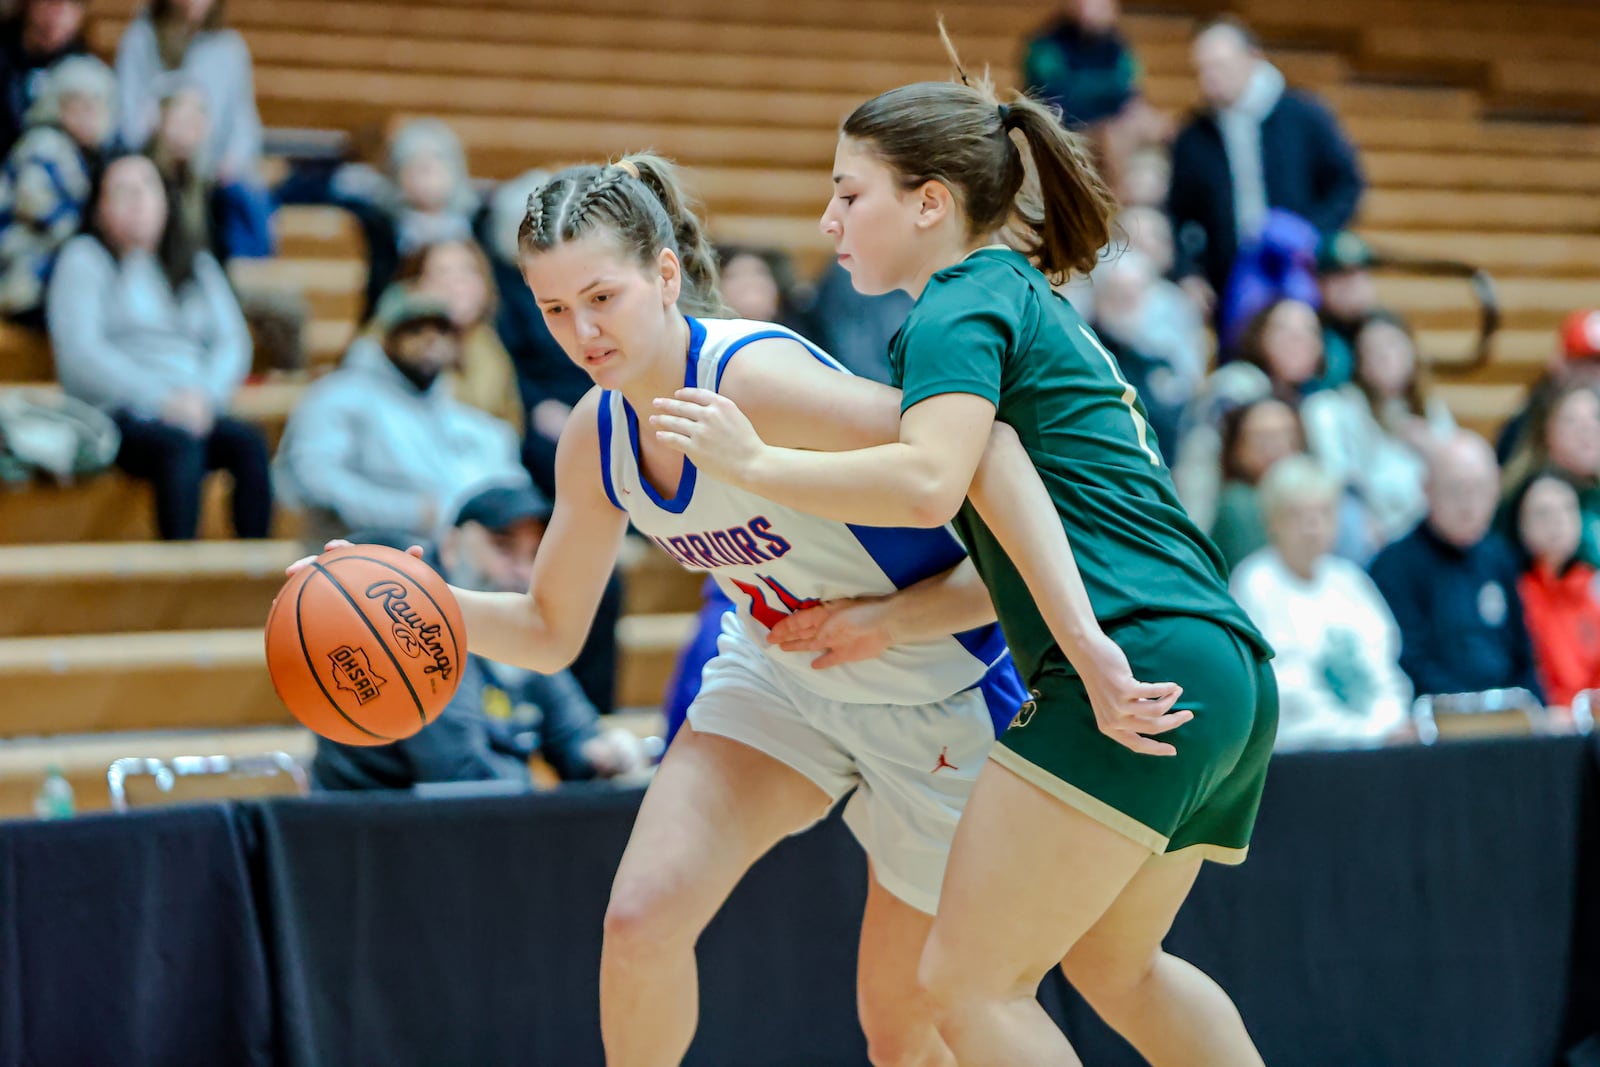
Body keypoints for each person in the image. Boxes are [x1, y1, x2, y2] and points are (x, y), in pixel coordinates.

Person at [292, 152, 1034, 1067]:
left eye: (602, 297)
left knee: (904, 1031)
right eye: (556, 308)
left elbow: (989, 460)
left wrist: (892, 621)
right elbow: (549, 630)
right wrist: (418, 599)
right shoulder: (594, 435)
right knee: (640, 917)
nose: (583, 331)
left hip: (942, 685)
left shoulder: (754, 380)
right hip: (784, 678)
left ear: (666, 274)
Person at [651, 43, 1276, 1064]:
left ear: (930, 202)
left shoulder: (954, 303)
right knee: (1118, 967)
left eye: (849, 193)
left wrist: (753, 461)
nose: (828, 221)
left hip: (1132, 653)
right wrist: (890, 620)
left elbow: (929, 476)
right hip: (1222, 662)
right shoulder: (1024, 301)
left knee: (962, 985)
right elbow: (1018, 533)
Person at [311, 483, 648, 791]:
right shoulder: (409, 629)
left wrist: (603, 754)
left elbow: (574, 732)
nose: (522, 571)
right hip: (369, 831)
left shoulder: (519, 628)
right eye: (503, 547)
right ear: (451, 547)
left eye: (534, 555)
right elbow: (459, 775)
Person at [48, 151, 267, 540]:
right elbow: (82, 355)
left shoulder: (196, 264)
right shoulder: (83, 260)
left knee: (249, 444)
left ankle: (262, 581)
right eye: (122, 191)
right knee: (179, 447)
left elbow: (233, 341)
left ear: (166, 201)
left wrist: (205, 397)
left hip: (197, 405)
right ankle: (176, 583)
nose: (137, 201)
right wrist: (161, 400)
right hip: (117, 414)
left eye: (147, 188)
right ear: (99, 207)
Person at [272, 292, 529, 547]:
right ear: (387, 337)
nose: (430, 340)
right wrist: (411, 512)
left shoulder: (453, 411)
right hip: (358, 553)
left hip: (445, 556)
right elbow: (315, 478)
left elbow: (503, 484)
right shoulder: (338, 395)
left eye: (441, 331)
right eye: (415, 330)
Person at [1168, 17, 1363, 324]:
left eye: (1219, 66)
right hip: (1230, 285)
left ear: (1252, 58)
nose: (1209, 79)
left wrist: (1312, 235)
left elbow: (1346, 184)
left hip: (1303, 271)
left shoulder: (1304, 114)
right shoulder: (1193, 136)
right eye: (1201, 70)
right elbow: (1177, 213)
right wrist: (1188, 273)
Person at [1230, 456, 1411, 750]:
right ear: (1272, 521)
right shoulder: (1256, 583)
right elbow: (1283, 688)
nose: (1312, 526)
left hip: (1377, 743)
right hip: (1303, 754)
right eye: (1297, 515)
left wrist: (1389, 723)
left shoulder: (1349, 579)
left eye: (1324, 513)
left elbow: (1385, 667)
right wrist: (1365, 732)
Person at [1368, 432, 1542, 701]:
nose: (1469, 504)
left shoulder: (1499, 556)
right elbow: (1409, 661)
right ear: (1427, 489)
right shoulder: (1394, 566)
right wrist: (1472, 710)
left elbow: (1523, 653)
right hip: (1439, 719)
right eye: (1456, 489)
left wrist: (1532, 706)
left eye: (1481, 489)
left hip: (1509, 716)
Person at [113, 0, 270, 257]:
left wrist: (231, 163)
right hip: (156, 163)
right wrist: (161, 137)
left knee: (247, 199)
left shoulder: (230, 48)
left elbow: (245, 126)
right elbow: (128, 119)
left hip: (212, 175)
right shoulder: (141, 38)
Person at [1302, 311, 1455, 552]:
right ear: (1359, 361)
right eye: (1373, 350)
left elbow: (1458, 478)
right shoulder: (1336, 410)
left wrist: (1434, 450)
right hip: (1372, 533)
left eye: (1393, 345)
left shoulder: (1432, 411)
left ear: (1413, 353)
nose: (1385, 356)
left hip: (1428, 533)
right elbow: (1339, 482)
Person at [0, 53, 113, 322]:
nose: (87, 115)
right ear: (57, 105)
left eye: (94, 106)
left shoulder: (88, 155)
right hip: (21, 269)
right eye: (77, 105)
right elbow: (36, 207)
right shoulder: (43, 143)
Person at [1020, 0, 1166, 197]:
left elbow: (1129, 95)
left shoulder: (1118, 48)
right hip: (1061, 133)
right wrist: (1103, 122)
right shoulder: (1046, 46)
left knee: (1157, 134)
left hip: (1115, 131)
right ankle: (1115, 202)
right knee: (1111, 140)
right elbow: (1053, 101)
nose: (1092, 7)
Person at [384, 238, 523, 432]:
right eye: (442, 273)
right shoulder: (391, 346)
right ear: (414, 287)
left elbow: (511, 426)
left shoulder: (488, 345)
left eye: (468, 271)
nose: (457, 284)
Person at [1511, 470, 1600, 711]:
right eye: (1543, 514)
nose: (1557, 521)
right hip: (1543, 724)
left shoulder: (1592, 587)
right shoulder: (1515, 593)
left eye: (1567, 509)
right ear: (1521, 524)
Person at [1499, 379, 1600, 565]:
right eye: (1571, 420)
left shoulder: (1593, 494)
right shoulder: (1532, 497)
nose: (1588, 429)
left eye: (1595, 417)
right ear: (1546, 431)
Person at [1208, 396, 1303, 569]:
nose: (1276, 447)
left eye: (1286, 435)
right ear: (1237, 447)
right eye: (1263, 438)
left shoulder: (1309, 499)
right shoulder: (1237, 504)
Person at [0, 0, 89, 158]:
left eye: (71, 5)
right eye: (52, 3)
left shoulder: (84, 69)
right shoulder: (6, 55)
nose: (58, 14)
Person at [1315, 231, 1378, 387]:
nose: (1355, 284)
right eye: (1344, 276)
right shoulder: (1315, 339)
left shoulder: (1383, 329)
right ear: (1320, 283)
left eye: (1362, 272)